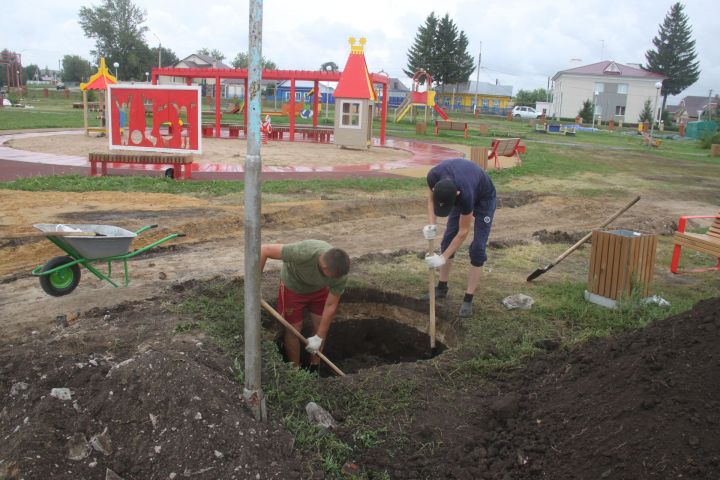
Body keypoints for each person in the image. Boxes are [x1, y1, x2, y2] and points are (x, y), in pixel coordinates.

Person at [260, 240, 350, 371]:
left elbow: (331, 305)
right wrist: (255, 285)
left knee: (320, 327)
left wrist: (319, 337)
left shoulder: (340, 274)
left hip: (319, 290)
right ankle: (295, 370)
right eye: (334, 277)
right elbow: (264, 250)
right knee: (293, 330)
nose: (337, 279)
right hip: (293, 288)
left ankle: (314, 367)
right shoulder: (305, 252)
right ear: (325, 268)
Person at [423, 158, 496, 317]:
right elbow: (430, 199)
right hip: (461, 188)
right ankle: (441, 288)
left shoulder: (465, 195)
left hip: (484, 198)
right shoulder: (433, 176)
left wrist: (442, 258)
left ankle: (468, 299)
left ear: (456, 195)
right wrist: (431, 225)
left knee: (478, 248)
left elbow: (463, 232)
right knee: (447, 241)